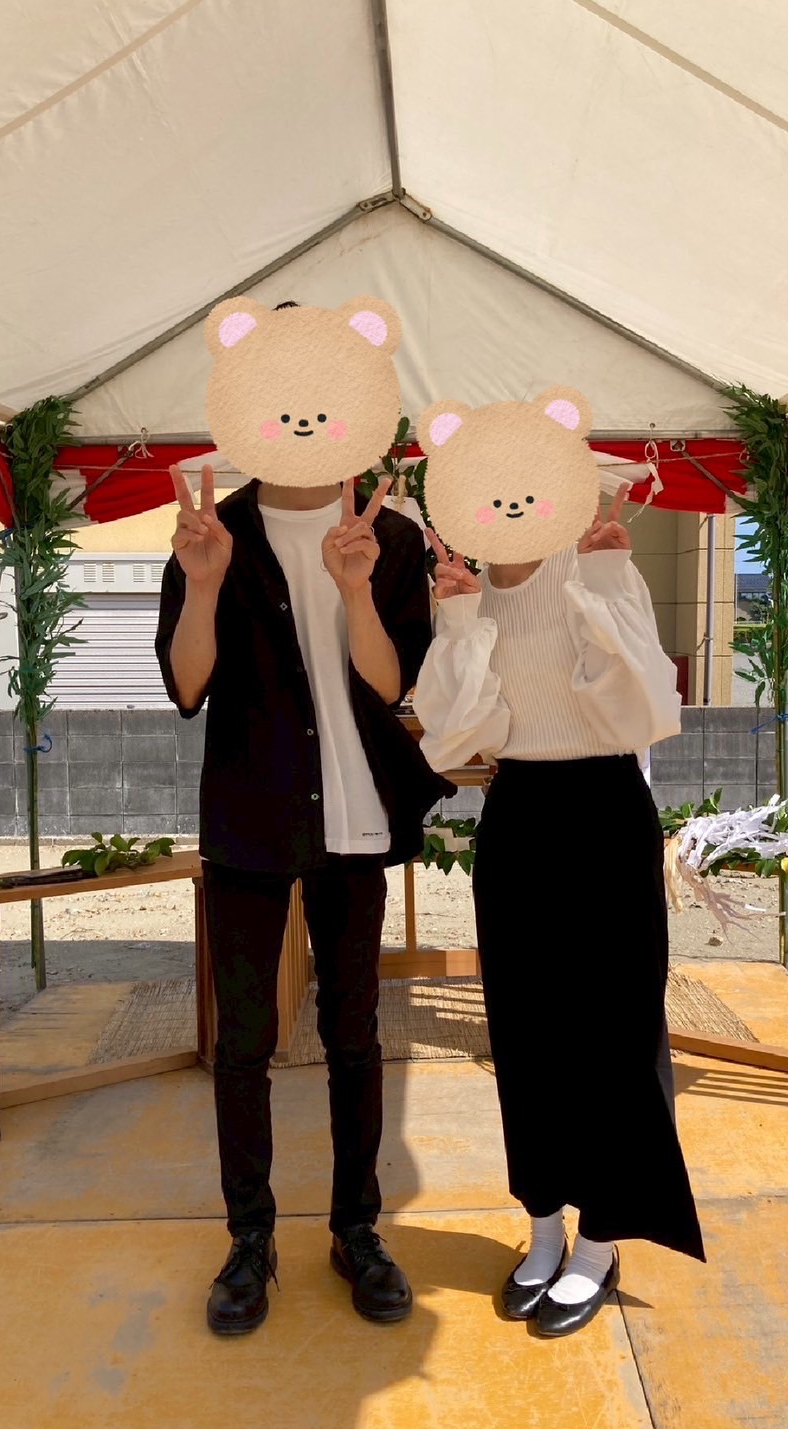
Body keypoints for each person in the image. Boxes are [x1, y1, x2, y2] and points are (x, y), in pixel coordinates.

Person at [156, 445, 451, 1334]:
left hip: (354, 817)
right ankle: (250, 1239)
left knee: (353, 1033)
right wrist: (203, 584)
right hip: (249, 814)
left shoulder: (390, 537)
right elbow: (187, 685)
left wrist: (356, 590)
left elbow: (394, 682)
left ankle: (356, 1229)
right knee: (243, 1040)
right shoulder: (214, 531)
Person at [412, 489, 705, 1340]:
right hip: (520, 813)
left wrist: (606, 577)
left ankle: (601, 1240)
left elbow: (648, 705)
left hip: (607, 807)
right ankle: (543, 1226)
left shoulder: (594, 564)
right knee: (525, 1031)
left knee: (615, 1032)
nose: (507, 502)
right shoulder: (468, 590)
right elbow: (455, 735)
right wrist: (458, 618)